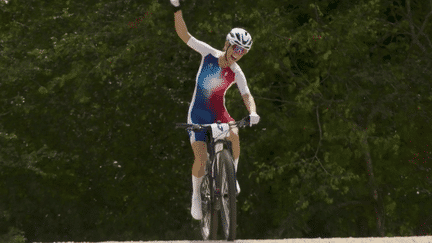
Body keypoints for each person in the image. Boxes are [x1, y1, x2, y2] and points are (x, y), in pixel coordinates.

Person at [171, 0, 260, 220]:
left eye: (243, 51)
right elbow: (184, 34)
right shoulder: (208, 54)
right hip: (198, 113)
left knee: (235, 134)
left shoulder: (236, 71)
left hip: (219, 113)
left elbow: (246, 94)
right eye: (236, 48)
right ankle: (195, 196)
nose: (238, 54)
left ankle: (231, 177)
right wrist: (176, 7)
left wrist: (253, 112)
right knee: (200, 158)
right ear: (227, 44)